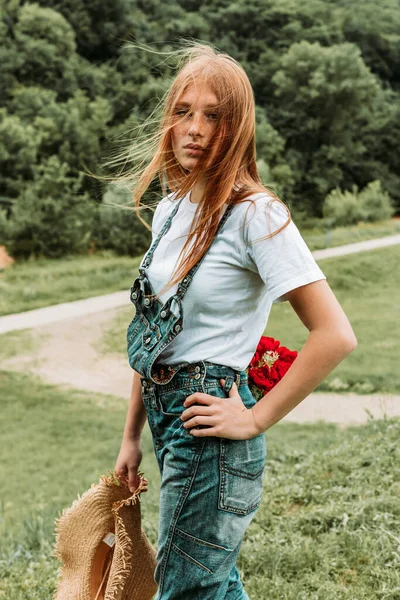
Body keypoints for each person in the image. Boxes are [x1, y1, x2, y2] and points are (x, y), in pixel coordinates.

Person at [114, 41, 357, 599]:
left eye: (213, 116)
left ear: (238, 127)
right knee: (210, 587)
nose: (194, 129)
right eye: (183, 112)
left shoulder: (255, 214)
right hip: (167, 419)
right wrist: (130, 436)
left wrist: (254, 418)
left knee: (186, 589)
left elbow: (335, 334)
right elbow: (152, 333)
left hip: (213, 430)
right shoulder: (173, 208)